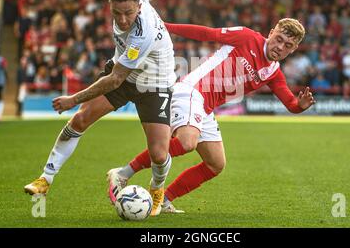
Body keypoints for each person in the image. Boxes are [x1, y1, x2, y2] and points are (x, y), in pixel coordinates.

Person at [107, 18, 316, 213]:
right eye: (279, 39)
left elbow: (290, 103)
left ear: (294, 49)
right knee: (187, 142)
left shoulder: (273, 73)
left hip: (206, 107)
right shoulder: (247, 37)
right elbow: (206, 33)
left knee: (215, 164)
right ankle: (123, 173)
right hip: (192, 90)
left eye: (288, 45)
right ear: (271, 33)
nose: (280, 47)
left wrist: (300, 106)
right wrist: (165, 27)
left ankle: (164, 200)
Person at [24, 0, 177, 216]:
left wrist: (73, 98)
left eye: (128, 13)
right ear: (109, 6)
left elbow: (115, 79)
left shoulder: (143, 34)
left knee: (159, 154)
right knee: (80, 119)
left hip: (155, 83)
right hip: (125, 73)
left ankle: (157, 189)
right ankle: (45, 179)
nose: (123, 19)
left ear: (139, 7)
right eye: (117, 13)